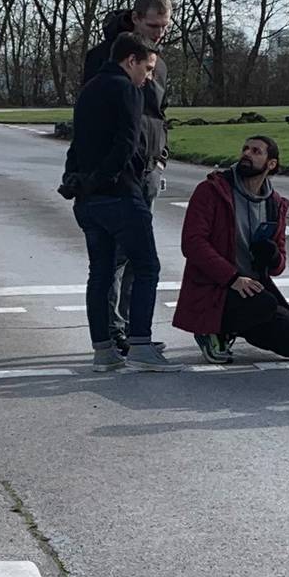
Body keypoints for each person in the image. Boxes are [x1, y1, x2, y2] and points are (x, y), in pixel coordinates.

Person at [61, 33, 179, 371]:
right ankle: (140, 343)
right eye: (148, 68)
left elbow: (76, 145)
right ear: (131, 61)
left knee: (99, 272)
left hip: (88, 199)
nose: (149, 77)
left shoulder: (89, 89)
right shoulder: (127, 89)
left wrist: (79, 182)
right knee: (147, 266)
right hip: (120, 194)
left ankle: (104, 351)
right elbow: (128, 144)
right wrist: (107, 178)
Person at [176, 136, 289, 364]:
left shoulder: (276, 204)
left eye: (256, 151)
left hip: (254, 288)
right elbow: (192, 243)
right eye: (245, 149)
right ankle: (212, 330)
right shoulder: (211, 191)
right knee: (264, 304)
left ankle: (237, 326)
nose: (247, 154)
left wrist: (271, 255)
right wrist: (233, 278)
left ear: (271, 164)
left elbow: (278, 267)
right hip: (217, 285)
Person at [83, 0, 173, 196]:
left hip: (149, 170)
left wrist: (160, 160)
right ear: (135, 18)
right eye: (153, 26)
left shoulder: (159, 65)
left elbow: (159, 113)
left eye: (165, 26)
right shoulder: (103, 57)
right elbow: (88, 114)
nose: (159, 33)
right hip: (113, 173)